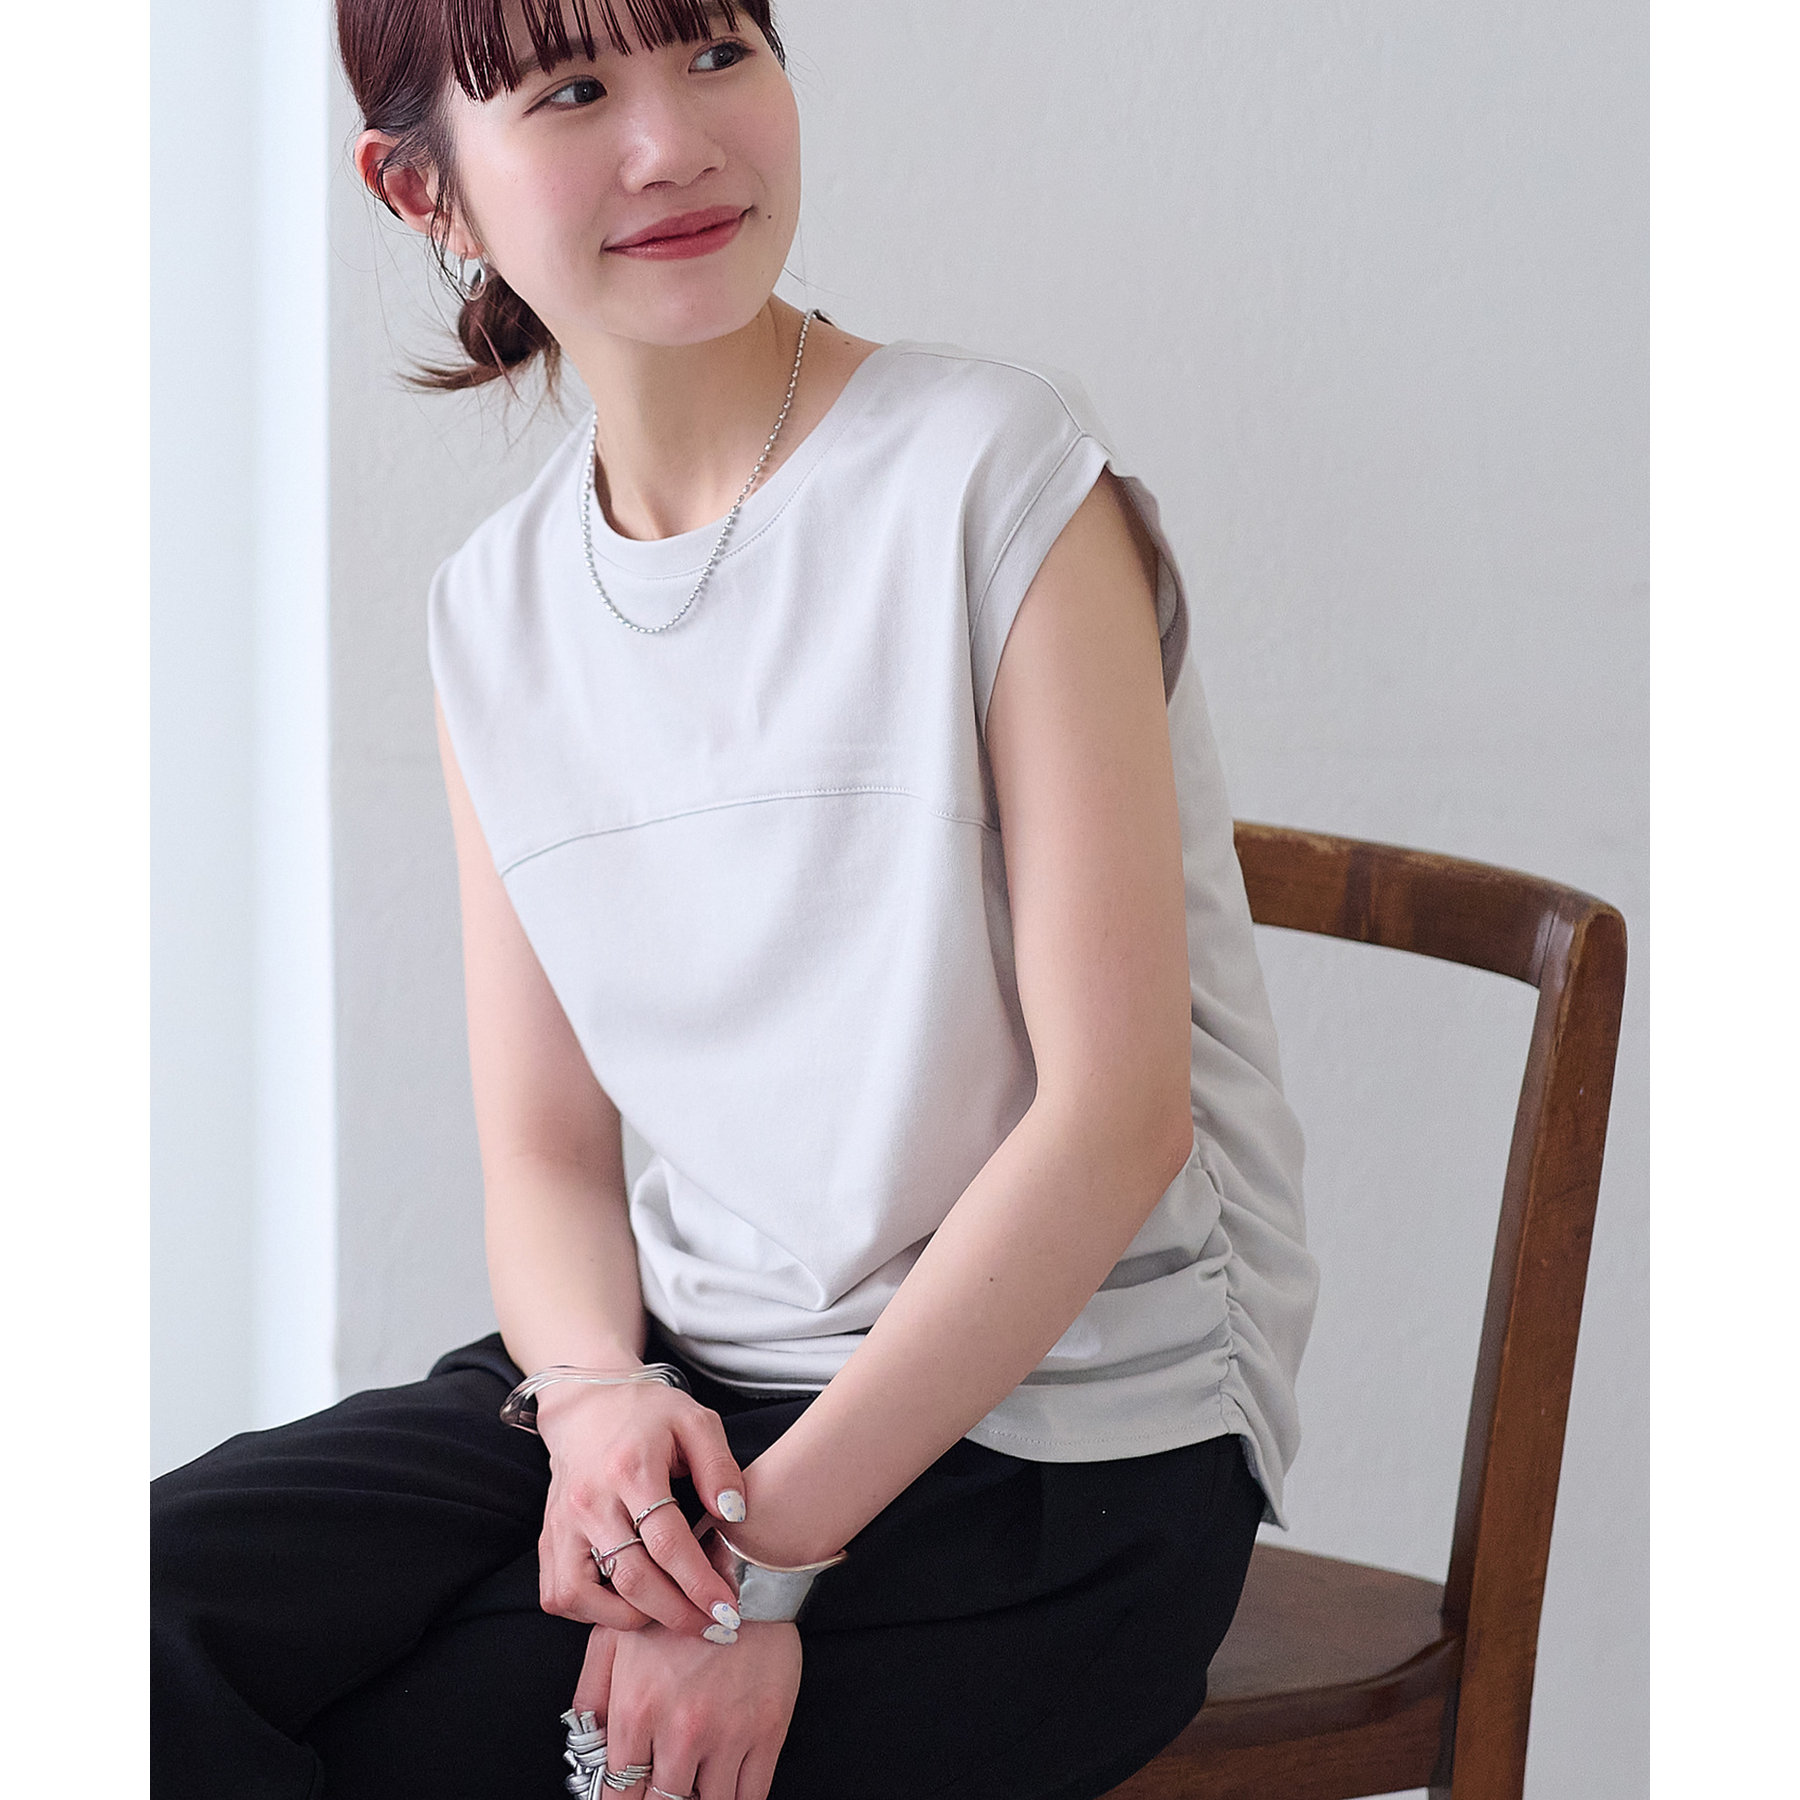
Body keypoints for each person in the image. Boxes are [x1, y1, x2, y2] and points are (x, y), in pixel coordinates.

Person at [151, 3, 1320, 1796]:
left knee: (417, 1744)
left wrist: (753, 1569)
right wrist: (594, 1400)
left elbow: (1115, 1126)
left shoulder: (990, 469)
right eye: (573, 91)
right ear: (419, 191)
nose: (673, 145)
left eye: (713, 55)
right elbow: (548, 1150)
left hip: (1061, 1441)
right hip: (689, 1374)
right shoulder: (494, 609)